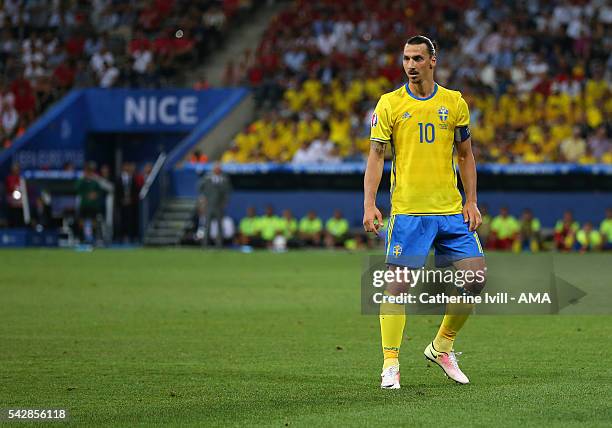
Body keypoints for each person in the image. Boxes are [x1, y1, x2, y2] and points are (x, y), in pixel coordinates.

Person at [363, 36, 486, 388]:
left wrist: (471, 199)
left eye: (417, 58)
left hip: (450, 210)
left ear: (433, 60)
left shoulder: (454, 102)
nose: (411, 64)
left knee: (475, 279)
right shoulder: (389, 104)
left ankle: (442, 346)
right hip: (409, 212)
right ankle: (390, 363)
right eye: (406, 58)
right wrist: (370, 203)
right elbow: (376, 156)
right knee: (396, 288)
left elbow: (465, 155)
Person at [198, 162, 231, 247]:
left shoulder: (224, 178)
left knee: (220, 225)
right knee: (207, 225)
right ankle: (205, 244)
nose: (217, 170)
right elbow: (200, 188)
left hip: (219, 206)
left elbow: (227, 192)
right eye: (216, 168)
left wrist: (224, 203)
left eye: (218, 168)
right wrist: (202, 200)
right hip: (209, 205)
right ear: (213, 169)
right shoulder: (207, 178)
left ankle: (219, 244)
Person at [76, 162, 103, 244]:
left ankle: (93, 239)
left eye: (90, 171)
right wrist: (86, 195)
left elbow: (100, 191)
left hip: (93, 206)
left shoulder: (95, 182)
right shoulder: (81, 181)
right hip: (84, 205)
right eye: (87, 171)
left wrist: (95, 195)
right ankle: (81, 238)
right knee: (81, 222)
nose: (88, 173)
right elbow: (77, 189)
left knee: (94, 222)